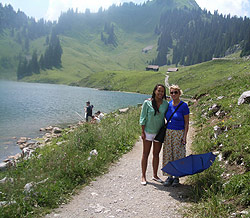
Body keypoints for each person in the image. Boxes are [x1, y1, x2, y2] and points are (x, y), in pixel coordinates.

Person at [139, 84, 168, 185]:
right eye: (159, 91)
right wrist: (142, 132)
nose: (160, 93)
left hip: (159, 133)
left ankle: (155, 175)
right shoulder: (147, 103)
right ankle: (143, 176)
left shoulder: (165, 104)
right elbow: (143, 118)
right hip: (148, 132)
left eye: (162, 91)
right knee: (145, 154)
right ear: (155, 91)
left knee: (156, 154)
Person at [162, 85, 190, 187]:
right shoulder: (168, 104)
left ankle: (177, 177)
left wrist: (185, 136)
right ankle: (169, 176)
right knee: (168, 154)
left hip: (179, 132)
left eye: (175, 92)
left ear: (179, 93)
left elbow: (187, 123)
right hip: (169, 132)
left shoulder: (184, 106)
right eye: (172, 92)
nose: (173, 94)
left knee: (178, 154)